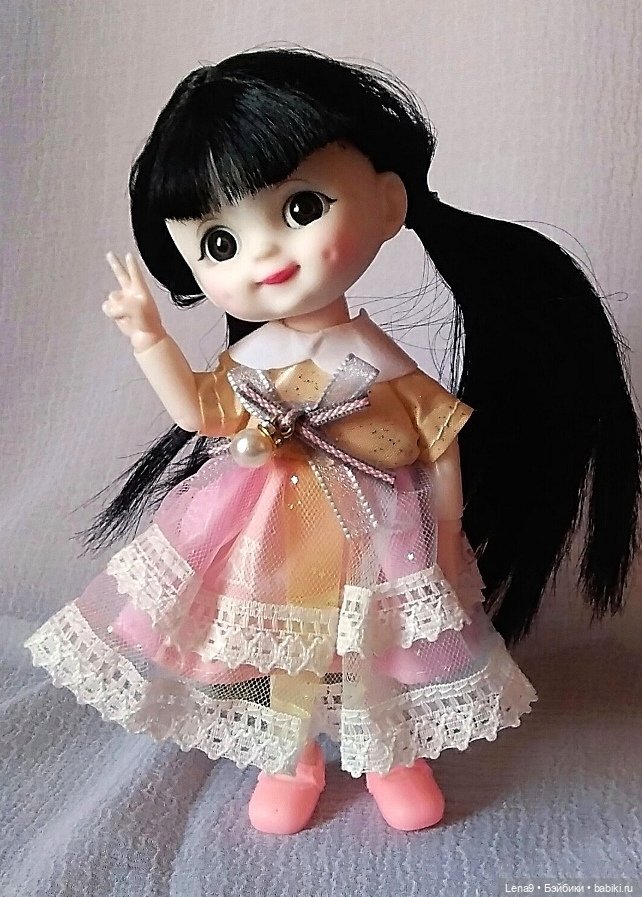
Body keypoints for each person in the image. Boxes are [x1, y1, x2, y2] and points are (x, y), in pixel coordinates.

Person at [25, 47, 640, 835]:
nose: (264, 256)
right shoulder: (256, 359)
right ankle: (293, 756)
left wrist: (447, 530)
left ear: (387, 203)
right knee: (277, 643)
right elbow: (201, 412)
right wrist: (149, 338)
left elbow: (437, 436)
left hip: (377, 528)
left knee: (377, 642)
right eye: (220, 243)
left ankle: (390, 753)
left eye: (301, 208)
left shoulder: (374, 358)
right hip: (267, 531)